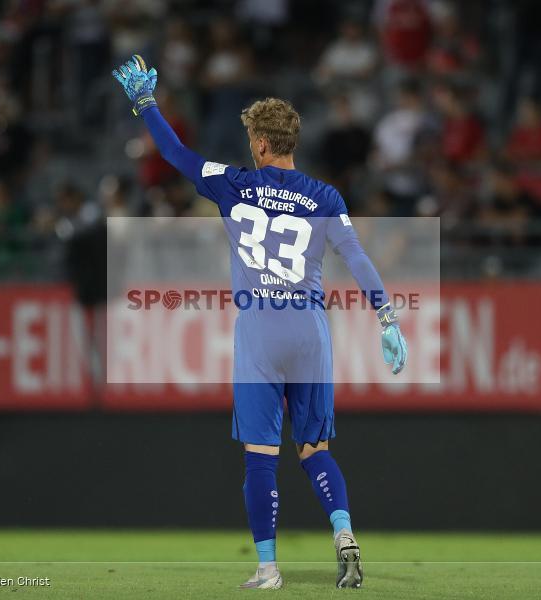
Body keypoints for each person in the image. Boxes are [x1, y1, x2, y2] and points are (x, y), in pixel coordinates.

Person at [113, 55, 408, 590]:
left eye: (253, 137)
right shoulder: (325, 197)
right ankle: (344, 537)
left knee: (261, 456)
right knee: (315, 450)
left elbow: (175, 153)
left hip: (260, 333)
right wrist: (386, 317)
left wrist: (146, 105)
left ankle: (269, 569)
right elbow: (357, 257)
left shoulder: (234, 184)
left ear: (262, 143)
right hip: (310, 332)